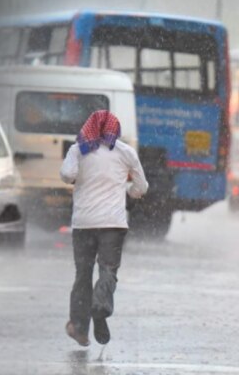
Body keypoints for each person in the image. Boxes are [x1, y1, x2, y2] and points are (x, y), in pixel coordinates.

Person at [59, 110, 148, 347]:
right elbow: (142, 186)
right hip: (113, 224)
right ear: (114, 129)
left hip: (84, 224)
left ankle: (79, 327)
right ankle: (101, 306)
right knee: (108, 271)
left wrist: (79, 177)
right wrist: (130, 192)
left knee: (83, 275)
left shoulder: (78, 149)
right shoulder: (126, 152)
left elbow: (67, 175)